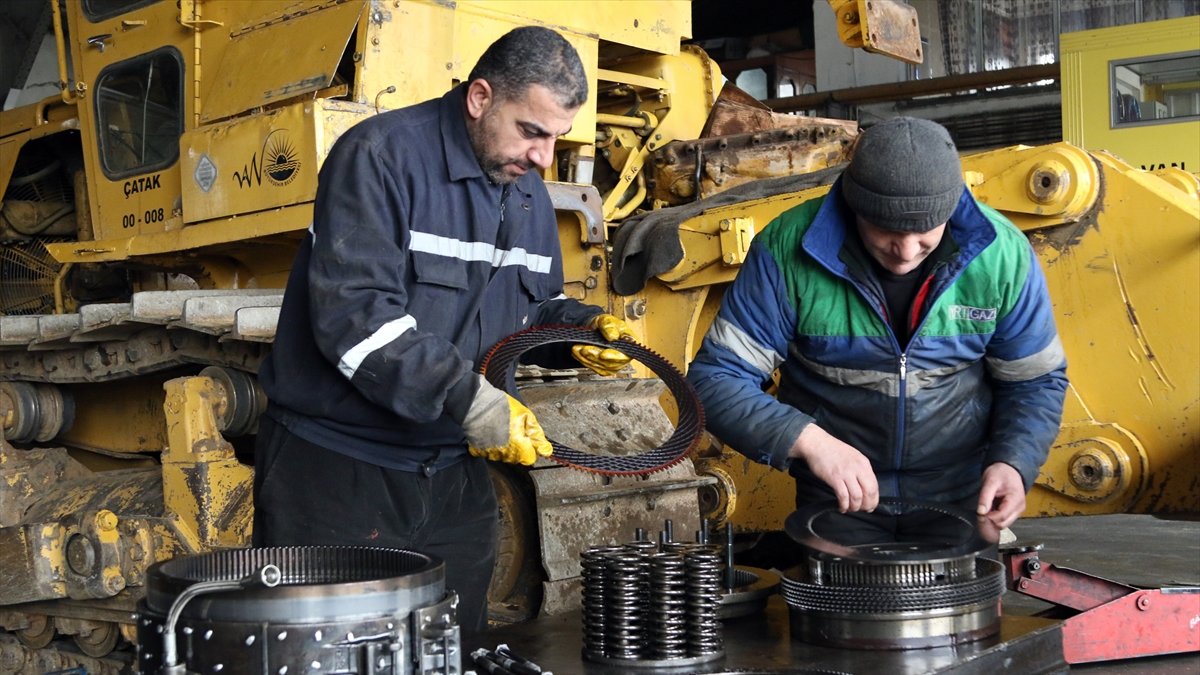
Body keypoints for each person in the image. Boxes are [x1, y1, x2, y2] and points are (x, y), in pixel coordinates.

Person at [252, 26, 633, 633]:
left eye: (556, 139)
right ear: (480, 97)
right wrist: (469, 399)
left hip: (454, 475)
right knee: (328, 656)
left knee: (454, 650)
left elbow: (529, 310)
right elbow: (356, 320)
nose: (542, 157)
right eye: (531, 132)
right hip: (340, 472)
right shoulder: (379, 156)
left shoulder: (526, 191)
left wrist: (580, 334)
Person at [686, 116, 1068, 546]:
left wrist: (1014, 461)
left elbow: (1036, 380)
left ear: (951, 208)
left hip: (963, 497)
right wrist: (809, 442)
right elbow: (715, 380)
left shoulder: (1001, 256)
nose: (905, 253)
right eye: (885, 231)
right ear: (854, 205)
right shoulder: (786, 250)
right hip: (839, 499)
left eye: (924, 234)